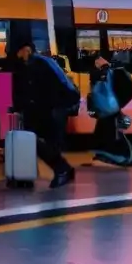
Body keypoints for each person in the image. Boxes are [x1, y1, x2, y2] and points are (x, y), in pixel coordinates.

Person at [15, 42, 79, 189]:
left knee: (49, 145)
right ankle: (30, 176)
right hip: (39, 111)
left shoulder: (44, 63)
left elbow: (63, 86)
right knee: (34, 141)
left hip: (55, 109)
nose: (17, 54)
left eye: (19, 51)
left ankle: (63, 171)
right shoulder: (24, 66)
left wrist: (58, 106)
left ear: (27, 50)